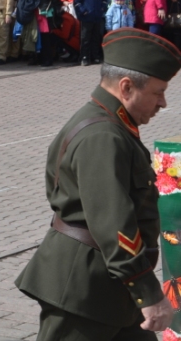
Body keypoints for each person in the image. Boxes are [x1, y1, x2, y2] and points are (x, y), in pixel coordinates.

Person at [16, 28, 181, 339]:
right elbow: (114, 223)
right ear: (127, 86)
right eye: (158, 92)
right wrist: (148, 293)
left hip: (109, 285)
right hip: (84, 292)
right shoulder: (103, 136)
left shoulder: (112, 124)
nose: (163, 103)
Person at [74, 0, 109, 66]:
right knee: (85, 38)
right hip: (86, 17)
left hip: (97, 16)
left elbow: (104, 0)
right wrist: (83, 11)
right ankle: (84, 57)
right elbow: (77, 1)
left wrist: (102, 8)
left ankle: (95, 56)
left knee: (96, 37)